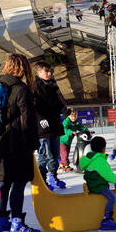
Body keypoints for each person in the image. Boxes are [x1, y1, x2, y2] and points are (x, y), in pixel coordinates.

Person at [0, 54, 41, 232]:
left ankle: (1, 223)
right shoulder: (21, 89)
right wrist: (33, 145)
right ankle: (17, 225)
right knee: (18, 184)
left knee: (3, 184)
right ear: (23, 68)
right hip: (18, 143)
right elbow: (28, 121)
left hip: (0, 142)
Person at [34, 61, 69, 190]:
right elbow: (33, 107)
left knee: (55, 154)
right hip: (42, 127)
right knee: (45, 155)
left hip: (54, 124)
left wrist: (65, 110)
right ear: (38, 72)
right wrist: (40, 119)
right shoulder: (34, 87)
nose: (49, 73)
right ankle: (42, 179)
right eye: (46, 71)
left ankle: (53, 176)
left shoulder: (53, 85)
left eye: (50, 71)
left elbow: (59, 102)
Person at [80, 136, 116, 231]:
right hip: (98, 185)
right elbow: (107, 174)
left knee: (110, 195)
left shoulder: (90, 158)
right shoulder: (99, 160)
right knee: (112, 197)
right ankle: (106, 219)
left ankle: (107, 219)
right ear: (103, 148)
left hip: (92, 184)